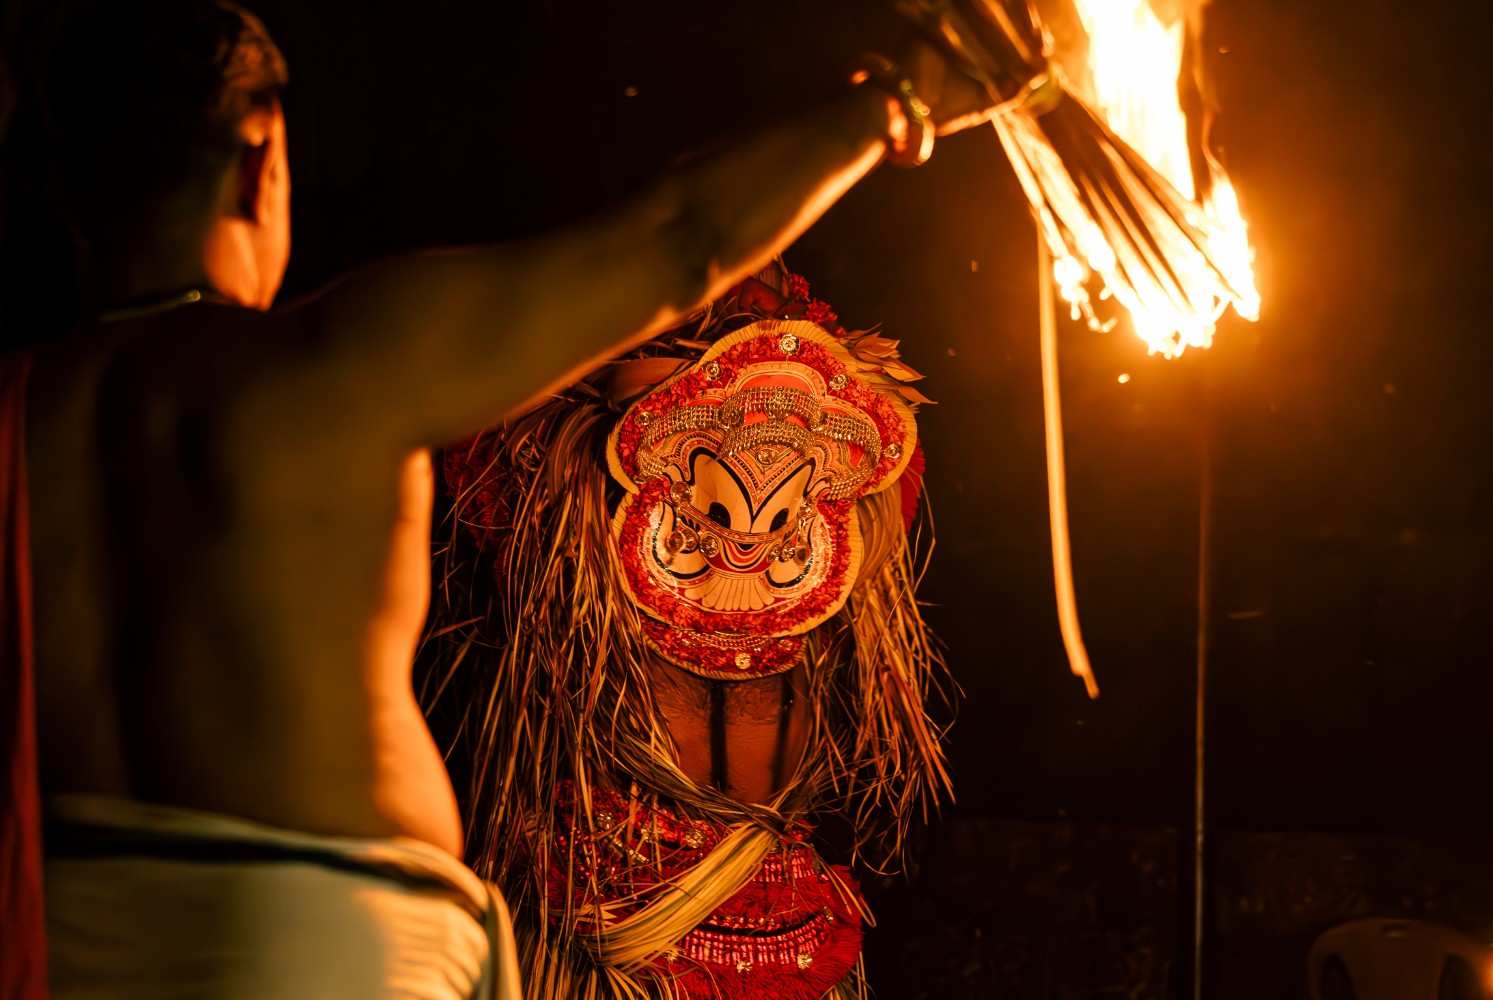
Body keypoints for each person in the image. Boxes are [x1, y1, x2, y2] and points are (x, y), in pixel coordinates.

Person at [0, 0, 1016, 995]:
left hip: (60, 934)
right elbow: (685, 238)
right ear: (262, 158)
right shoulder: (333, 363)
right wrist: (899, 100)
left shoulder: (17, 414)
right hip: (319, 942)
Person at [430, 262, 946, 998]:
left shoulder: (565, 517)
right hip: (636, 921)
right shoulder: (582, 526)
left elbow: (477, 434)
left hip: (732, 914)